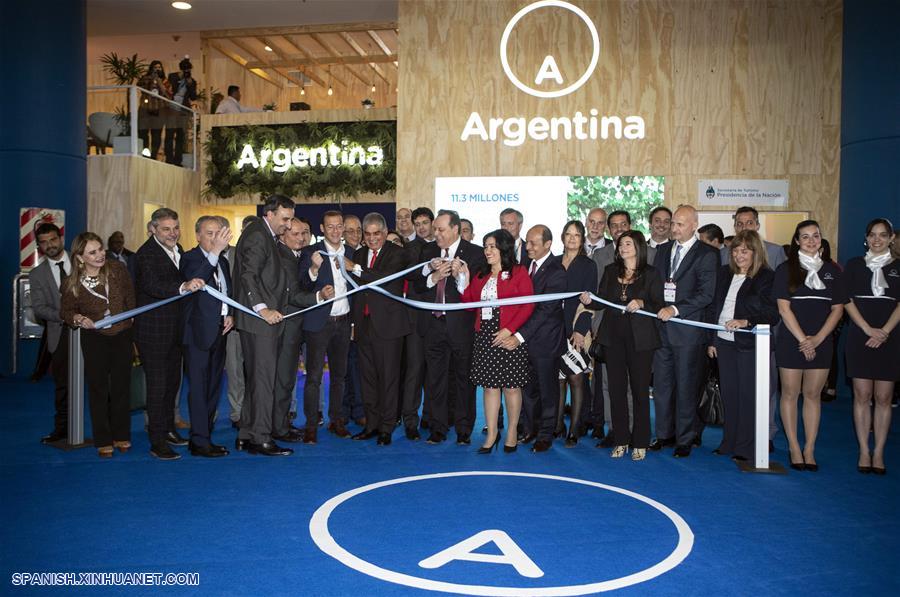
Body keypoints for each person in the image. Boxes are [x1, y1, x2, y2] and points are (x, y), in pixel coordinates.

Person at [581, 230, 663, 461]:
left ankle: (641, 441)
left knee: (639, 391)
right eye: (620, 244)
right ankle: (620, 439)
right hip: (612, 338)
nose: (622, 248)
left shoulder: (652, 273)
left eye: (627, 244)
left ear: (638, 246)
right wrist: (590, 300)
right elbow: (601, 301)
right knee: (616, 391)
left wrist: (643, 302)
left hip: (641, 340)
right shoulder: (610, 271)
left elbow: (660, 304)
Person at [133, 207, 204, 460]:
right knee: (157, 386)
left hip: (176, 330)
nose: (172, 233)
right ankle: (157, 441)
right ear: (153, 229)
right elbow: (152, 286)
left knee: (173, 384)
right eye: (166, 229)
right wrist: (183, 286)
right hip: (153, 330)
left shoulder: (178, 249)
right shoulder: (145, 254)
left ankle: (169, 429)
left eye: (175, 228)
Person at [774, 220, 846, 471]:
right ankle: (794, 446)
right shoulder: (785, 269)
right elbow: (784, 309)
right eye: (805, 237)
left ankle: (810, 448)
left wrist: (817, 339)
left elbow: (838, 309)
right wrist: (804, 339)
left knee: (813, 395)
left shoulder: (833, 271)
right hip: (791, 340)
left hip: (822, 341)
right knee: (791, 394)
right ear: (796, 241)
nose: (811, 241)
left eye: (816, 236)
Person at [232, 195, 298, 456]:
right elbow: (248, 275)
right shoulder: (259, 235)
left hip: (258, 322)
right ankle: (261, 438)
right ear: (269, 214)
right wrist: (262, 309)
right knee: (263, 381)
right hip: (260, 322)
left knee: (256, 380)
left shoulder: (262, 234)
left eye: (291, 218)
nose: (289, 224)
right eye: (285, 218)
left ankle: (246, 434)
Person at [60, 233, 135, 458]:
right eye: (92, 252)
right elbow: (65, 311)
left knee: (122, 387)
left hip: (122, 333)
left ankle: (122, 434)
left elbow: (131, 298)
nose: (100, 255)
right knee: (98, 388)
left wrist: (132, 323)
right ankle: (103, 439)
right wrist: (79, 319)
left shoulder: (118, 270)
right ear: (80, 258)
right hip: (94, 338)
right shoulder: (72, 282)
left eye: (100, 249)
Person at [651, 205, 718, 458]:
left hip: (688, 332)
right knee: (662, 386)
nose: (674, 228)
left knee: (687, 387)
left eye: (680, 224)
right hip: (662, 330)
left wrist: (675, 309)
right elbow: (657, 285)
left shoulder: (707, 254)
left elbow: (706, 295)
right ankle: (664, 434)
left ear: (694, 225)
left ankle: (685, 438)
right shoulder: (663, 250)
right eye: (673, 224)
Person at [415, 209, 486, 444]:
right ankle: (438, 428)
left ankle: (464, 430)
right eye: (435, 229)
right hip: (433, 324)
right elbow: (416, 284)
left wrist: (460, 277)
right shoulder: (428, 250)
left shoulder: (475, 254)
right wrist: (431, 277)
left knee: (464, 379)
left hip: (462, 327)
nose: (436, 234)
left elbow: (476, 293)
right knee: (435, 379)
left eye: (441, 229)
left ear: (456, 229)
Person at [460, 229, 534, 453]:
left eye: (492, 246)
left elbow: (528, 304)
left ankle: (511, 431)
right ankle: (492, 433)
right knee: (490, 387)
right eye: (485, 247)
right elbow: (469, 301)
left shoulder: (519, 272)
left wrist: (510, 330)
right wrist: (462, 278)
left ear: (504, 248)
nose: (487, 251)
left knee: (512, 387)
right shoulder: (481, 273)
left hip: (509, 335)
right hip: (485, 334)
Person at [707, 230, 779, 462]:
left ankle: (746, 446)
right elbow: (714, 309)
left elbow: (772, 313)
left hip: (750, 344)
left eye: (745, 251)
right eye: (736, 250)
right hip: (724, 343)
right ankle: (728, 441)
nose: (739, 255)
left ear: (755, 252)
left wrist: (746, 321)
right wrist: (712, 339)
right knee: (729, 395)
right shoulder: (724, 273)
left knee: (748, 396)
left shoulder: (766, 276)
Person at [843, 218, 899, 474]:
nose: (877, 239)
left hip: (890, 338)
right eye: (873, 235)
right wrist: (867, 329)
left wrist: (884, 332)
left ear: (891, 238)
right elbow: (846, 300)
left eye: (883, 235)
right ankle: (864, 450)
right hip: (860, 336)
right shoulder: (855, 265)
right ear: (866, 238)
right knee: (862, 396)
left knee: (884, 397)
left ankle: (879, 453)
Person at [350, 213, 412, 445]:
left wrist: (356, 269)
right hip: (364, 325)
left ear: (386, 233)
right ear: (364, 236)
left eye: (378, 233)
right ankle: (372, 425)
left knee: (389, 378)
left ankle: (387, 426)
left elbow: (383, 278)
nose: (373, 238)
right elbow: (357, 292)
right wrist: (355, 323)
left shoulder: (397, 253)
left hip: (389, 326)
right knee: (368, 379)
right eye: (368, 234)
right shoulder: (358, 254)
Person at [180, 216, 234, 457]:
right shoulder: (190, 258)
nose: (215, 238)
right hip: (197, 334)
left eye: (218, 233)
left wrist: (230, 313)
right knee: (199, 389)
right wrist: (216, 252)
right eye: (209, 233)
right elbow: (198, 281)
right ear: (198, 236)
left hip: (220, 330)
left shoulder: (221, 261)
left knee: (213, 386)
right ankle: (199, 440)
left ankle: (205, 434)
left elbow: (226, 291)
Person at [299, 210, 352, 444]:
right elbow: (300, 284)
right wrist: (313, 271)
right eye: (330, 226)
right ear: (322, 228)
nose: (335, 230)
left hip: (343, 322)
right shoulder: (311, 252)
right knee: (314, 377)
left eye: (339, 226)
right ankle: (311, 425)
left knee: (340, 376)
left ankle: (336, 420)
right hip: (319, 324)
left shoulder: (350, 252)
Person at [514, 225, 567, 452]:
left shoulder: (557, 271)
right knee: (528, 389)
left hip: (545, 341)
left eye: (533, 243)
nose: (528, 247)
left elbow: (545, 310)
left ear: (547, 244)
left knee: (547, 392)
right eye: (527, 242)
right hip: (525, 340)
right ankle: (530, 429)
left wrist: (519, 335)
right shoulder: (525, 266)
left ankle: (545, 435)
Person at [272, 217, 318, 443]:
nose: (301, 238)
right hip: (287, 327)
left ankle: (281, 424)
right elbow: (293, 295)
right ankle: (278, 428)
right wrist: (320, 297)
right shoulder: (282, 257)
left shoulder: (297, 255)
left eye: (304, 233)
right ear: (283, 235)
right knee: (282, 380)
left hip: (296, 326)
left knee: (287, 379)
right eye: (296, 234)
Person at [30, 223, 72, 444]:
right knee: (63, 388)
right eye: (44, 242)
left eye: (53, 239)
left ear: (61, 238)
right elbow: (39, 308)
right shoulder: (37, 274)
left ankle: (109, 433)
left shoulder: (83, 261)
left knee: (101, 384)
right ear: (39, 246)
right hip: (60, 334)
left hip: (94, 333)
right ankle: (62, 430)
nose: (50, 245)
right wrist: (67, 316)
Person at [557, 220, 597, 446]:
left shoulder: (588, 265)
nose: (572, 239)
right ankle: (557, 425)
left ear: (582, 239)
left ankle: (575, 428)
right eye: (568, 234)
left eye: (577, 235)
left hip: (576, 328)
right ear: (562, 237)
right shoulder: (553, 262)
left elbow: (589, 302)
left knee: (576, 378)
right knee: (558, 379)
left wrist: (580, 331)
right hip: (553, 329)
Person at [225, 215, 256, 428]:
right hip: (231, 322)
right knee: (234, 368)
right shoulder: (228, 254)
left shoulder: (260, 255)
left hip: (255, 321)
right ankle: (238, 412)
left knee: (255, 369)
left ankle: (255, 410)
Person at [341, 213, 365, 426]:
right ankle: (349, 410)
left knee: (355, 366)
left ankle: (355, 409)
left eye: (358, 230)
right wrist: (351, 323)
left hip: (361, 321)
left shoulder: (364, 254)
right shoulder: (341, 255)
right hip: (344, 321)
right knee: (347, 367)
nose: (355, 234)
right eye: (350, 230)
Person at [165, 57, 197, 166]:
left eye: (189, 70)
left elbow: (193, 97)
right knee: (169, 134)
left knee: (181, 135)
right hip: (172, 108)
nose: (187, 72)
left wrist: (190, 84)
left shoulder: (192, 81)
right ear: (181, 69)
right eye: (185, 70)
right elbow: (168, 90)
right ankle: (169, 159)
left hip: (183, 110)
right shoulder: (172, 76)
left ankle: (178, 161)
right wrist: (178, 79)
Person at [136, 60, 171, 161]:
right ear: (151, 69)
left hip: (159, 110)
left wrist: (159, 82)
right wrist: (151, 79)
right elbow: (140, 87)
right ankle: (145, 154)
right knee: (143, 133)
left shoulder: (165, 80)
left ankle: (154, 156)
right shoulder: (145, 78)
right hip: (145, 109)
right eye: (155, 67)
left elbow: (168, 94)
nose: (157, 69)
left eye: (159, 67)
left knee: (156, 134)